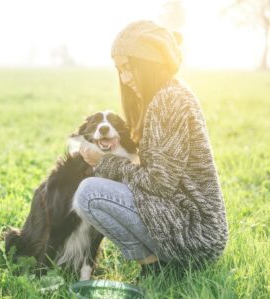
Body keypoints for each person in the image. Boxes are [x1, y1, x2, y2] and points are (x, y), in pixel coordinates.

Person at [73, 20, 228, 278]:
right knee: (97, 189)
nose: (124, 78)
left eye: (128, 68)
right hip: (188, 221)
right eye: (119, 70)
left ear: (147, 64)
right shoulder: (168, 94)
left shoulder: (168, 100)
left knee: (89, 193)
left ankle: (153, 267)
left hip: (195, 232)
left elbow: (159, 183)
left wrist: (104, 162)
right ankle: (156, 267)